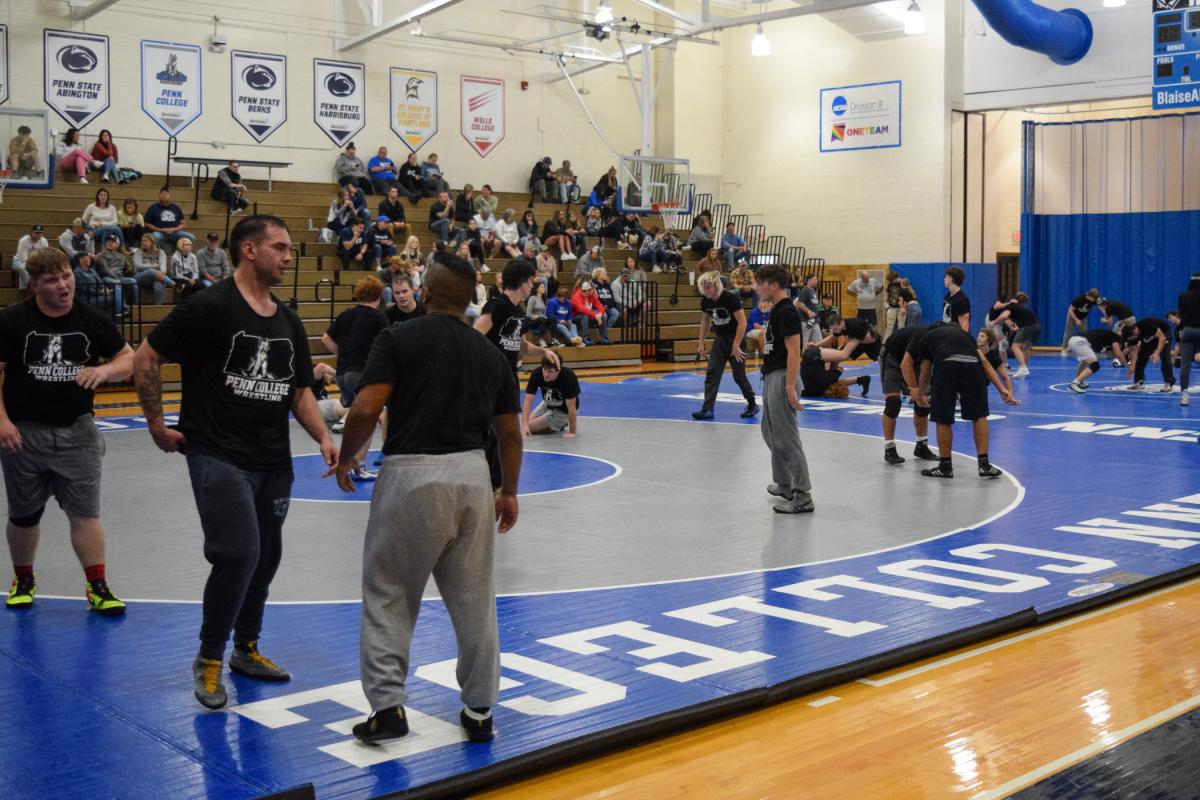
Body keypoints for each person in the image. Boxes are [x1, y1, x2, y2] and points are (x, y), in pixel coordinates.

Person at [133, 214, 338, 710]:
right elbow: (146, 357)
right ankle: (208, 658)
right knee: (239, 553)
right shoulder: (209, 306)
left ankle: (246, 649)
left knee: (266, 557)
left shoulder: (287, 319)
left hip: (273, 459)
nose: (289, 256)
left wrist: (324, 437)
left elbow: (299, 391)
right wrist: (157, 424)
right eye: (281, 247)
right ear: (249, 250)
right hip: (217, 452)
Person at [328, 252, 521, 745]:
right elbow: (510, 433)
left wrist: (348, 458)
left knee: (389, 591)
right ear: (469, 299)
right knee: (475, 597)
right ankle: (479, 710)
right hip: (473, 477)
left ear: (427, 293)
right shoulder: (490, 355)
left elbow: (367, 406)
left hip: (411, 473)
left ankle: (388, 707)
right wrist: (510, 491)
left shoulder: (397, 337)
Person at [1, 248, 134, 614]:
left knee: (85, 514)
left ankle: (98, 587)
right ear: (34, 286)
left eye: (66, 276)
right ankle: (23, 578)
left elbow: (128, 358)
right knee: (24, 514)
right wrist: (2, 421)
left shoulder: (91, 318)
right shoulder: (13, 320)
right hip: (24, 434)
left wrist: (105, 372)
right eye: (52, 280)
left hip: (78, 432)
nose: (63, 285)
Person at [906, 323, 1018, 479]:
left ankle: (945, 467)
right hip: (972, 367)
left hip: (946, 366)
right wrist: (1002, 389)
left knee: (943, 418)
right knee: (979, 416)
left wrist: (919, 393)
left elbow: (925, 371)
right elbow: (984, 362)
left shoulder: (926, 338)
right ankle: (984, 465)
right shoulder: (964, 335)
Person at [753, 265, 813, 514]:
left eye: (760, 283)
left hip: (782, 378)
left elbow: (795, 351)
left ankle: (803, 495)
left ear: (773, 285)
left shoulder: (786, 312)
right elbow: (774, 346)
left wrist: (790, 386)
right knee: (770, 432)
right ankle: (784, 483)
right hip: (771, 376)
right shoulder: (776, 311)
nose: (756, 288)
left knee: (786, 438)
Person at [323, 276, 388, 481]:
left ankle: (352, 461)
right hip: (362, 374)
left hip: (342, 375)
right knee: (368, 418)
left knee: (354, 418)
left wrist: (341, 356)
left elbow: (326, 338)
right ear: (379, 296)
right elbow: (386, 346)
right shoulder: (378, 318)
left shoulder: (346, 315)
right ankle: (358, 464)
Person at [691, 271, 757, 421]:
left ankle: (752, 404)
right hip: (720, 341)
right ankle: (707, 409)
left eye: (708, 287)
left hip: (736, 340)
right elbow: (705, 322)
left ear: (716, 286)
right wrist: (701, 342)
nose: (706, 291)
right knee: (712, 373)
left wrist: (736, 345)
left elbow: (742, 323)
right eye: (704, 288)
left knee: (739, 376)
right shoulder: (706, 301)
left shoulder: (730, 298)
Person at [880, 324, 938, 465]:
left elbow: (927, 368)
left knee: (923, 405)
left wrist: (921, 394)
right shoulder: (920, 338)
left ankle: (921, 446)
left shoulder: (935, 343)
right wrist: (915, 391)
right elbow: (905, 365)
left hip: (914, 362)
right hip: (892, 358)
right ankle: (889, 448)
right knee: (893, 403)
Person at [523, 356, 580, 437]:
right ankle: (558, 425)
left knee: (530, 427)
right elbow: (528, 399)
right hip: (548, 402)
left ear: (558, 370)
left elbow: (571, 406)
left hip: (564, 410)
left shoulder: (568, 377)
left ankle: (560, 424)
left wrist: (572, 432)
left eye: (550, 371)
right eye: (544, 369)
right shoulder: (537, 374)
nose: (546, 374)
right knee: (525, 426)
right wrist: (524, 425)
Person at [1066, 327, 1127, 394]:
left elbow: (1113, 355)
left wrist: (1120, 356)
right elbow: (1118, 353)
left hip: (1073, 340)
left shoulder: (1105, 341)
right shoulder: (1115, 338)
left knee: (1084, 361)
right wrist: (1128, 366)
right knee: (1095, 366)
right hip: (1080, 342)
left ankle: (1079, 382)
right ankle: (1074, 384)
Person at [1125, 316, 1174, 391]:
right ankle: (1138, 382)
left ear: (1135, 330)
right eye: (1132, 338)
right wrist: (1132, 366)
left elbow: (1162, 338)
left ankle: (1168, 382)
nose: (1134, 339)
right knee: (1141, 356)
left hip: (1164, 333)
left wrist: (1157, 353)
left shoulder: (1147, 325)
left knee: (1165, 356)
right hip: (1150, 337)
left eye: (1134, 337)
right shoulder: (1131, 337)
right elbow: (1134, 352)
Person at [93, 234, 138, 308]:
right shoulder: (101, 255)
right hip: (106, 277)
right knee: (115, 283)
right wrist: (116, 280)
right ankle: (123, 308)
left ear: (118, 245)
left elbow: (128, 269)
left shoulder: (122, 256)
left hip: (120, 277)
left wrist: (129, 268)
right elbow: (105, 270)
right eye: (108, 241)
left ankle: (135, 306)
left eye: (113, 241)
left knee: (133, 281)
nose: (109, 243)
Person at [1001, 293, 1040, 378]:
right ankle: (1024, 368)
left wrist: (995, 321)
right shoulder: (1022, 309)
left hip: (1028, 326)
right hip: (1037, 326)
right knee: (1025, 347)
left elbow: (1005, 318)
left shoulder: (1011, 306)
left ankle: (1023, 368)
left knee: (1015, 347)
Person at [1176, 278, 1200, 406]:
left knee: (1185, 365)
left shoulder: (1183, 296)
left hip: (1188, 330)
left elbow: (1180, 314)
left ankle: (1184, 395)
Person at [133, 234, 175, 304]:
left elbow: (163, 264)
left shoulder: (160, 252)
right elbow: (138, 266)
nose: (143, 243)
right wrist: (151, 266)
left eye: (145, 241)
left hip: (157, 277)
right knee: (150, 271)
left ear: (152, 242)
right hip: (140, 278)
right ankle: (173, 284)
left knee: (158, 285)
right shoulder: (138, 252)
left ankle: (157, 308)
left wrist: (162, 272)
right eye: (142, 241)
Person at [1061, 288, 1099, 355]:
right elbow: (1070, 311)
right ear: (1089, 296)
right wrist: (1076, 320)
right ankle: (1064, 349)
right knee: (1068, 333)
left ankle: (1082, 349)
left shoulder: (1095, 299)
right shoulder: (1079, 299)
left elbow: (1101, 306)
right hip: (1072, 316)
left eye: (1094, 299)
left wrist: (1106, 315)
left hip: (1082, 317)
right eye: (1093, 299)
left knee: (1084, 334)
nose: (1093, 301)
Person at [571, 279, 610, 345]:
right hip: (575, 316)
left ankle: (604, 337)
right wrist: (595, 315)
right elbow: (582, 309)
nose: (595, 290)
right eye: (593, 289)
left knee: (604, 315)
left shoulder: (591, 296)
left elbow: (600, 306)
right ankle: (586, 338)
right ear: (588, 290)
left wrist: (600, 314)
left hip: (589, 314)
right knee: (584, 316)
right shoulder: (576, 297)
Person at [13, 224, 49, 290]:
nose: (38, 235)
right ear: (30, 233)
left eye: (40, 233)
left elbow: (45, 255)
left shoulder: (44, 241)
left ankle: (42, 287)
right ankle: (30, 286)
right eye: (36, 233)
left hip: (37, 262)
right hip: (19, 261)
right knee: (23, 268)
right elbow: (23, 258)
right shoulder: (23, 241)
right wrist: (34, 265)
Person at [793, 274, 823, 349]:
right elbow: (800, 303)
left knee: (818, 341)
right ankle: (801, 359)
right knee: (804, 342)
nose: (816, 282)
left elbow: (814, 306)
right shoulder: (805, 290)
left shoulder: (812, 291)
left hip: (814, 321)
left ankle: (818, 358)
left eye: (816, 280)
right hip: (806, 321)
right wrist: (808, 312)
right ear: (809, 280)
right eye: (814, 280)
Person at [942, 266, 970, 331]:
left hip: (956, 337)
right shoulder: (948, 295)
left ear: (950, 279)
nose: (944, 279)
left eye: (946, 277)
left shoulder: (961, 300)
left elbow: (964, 326)